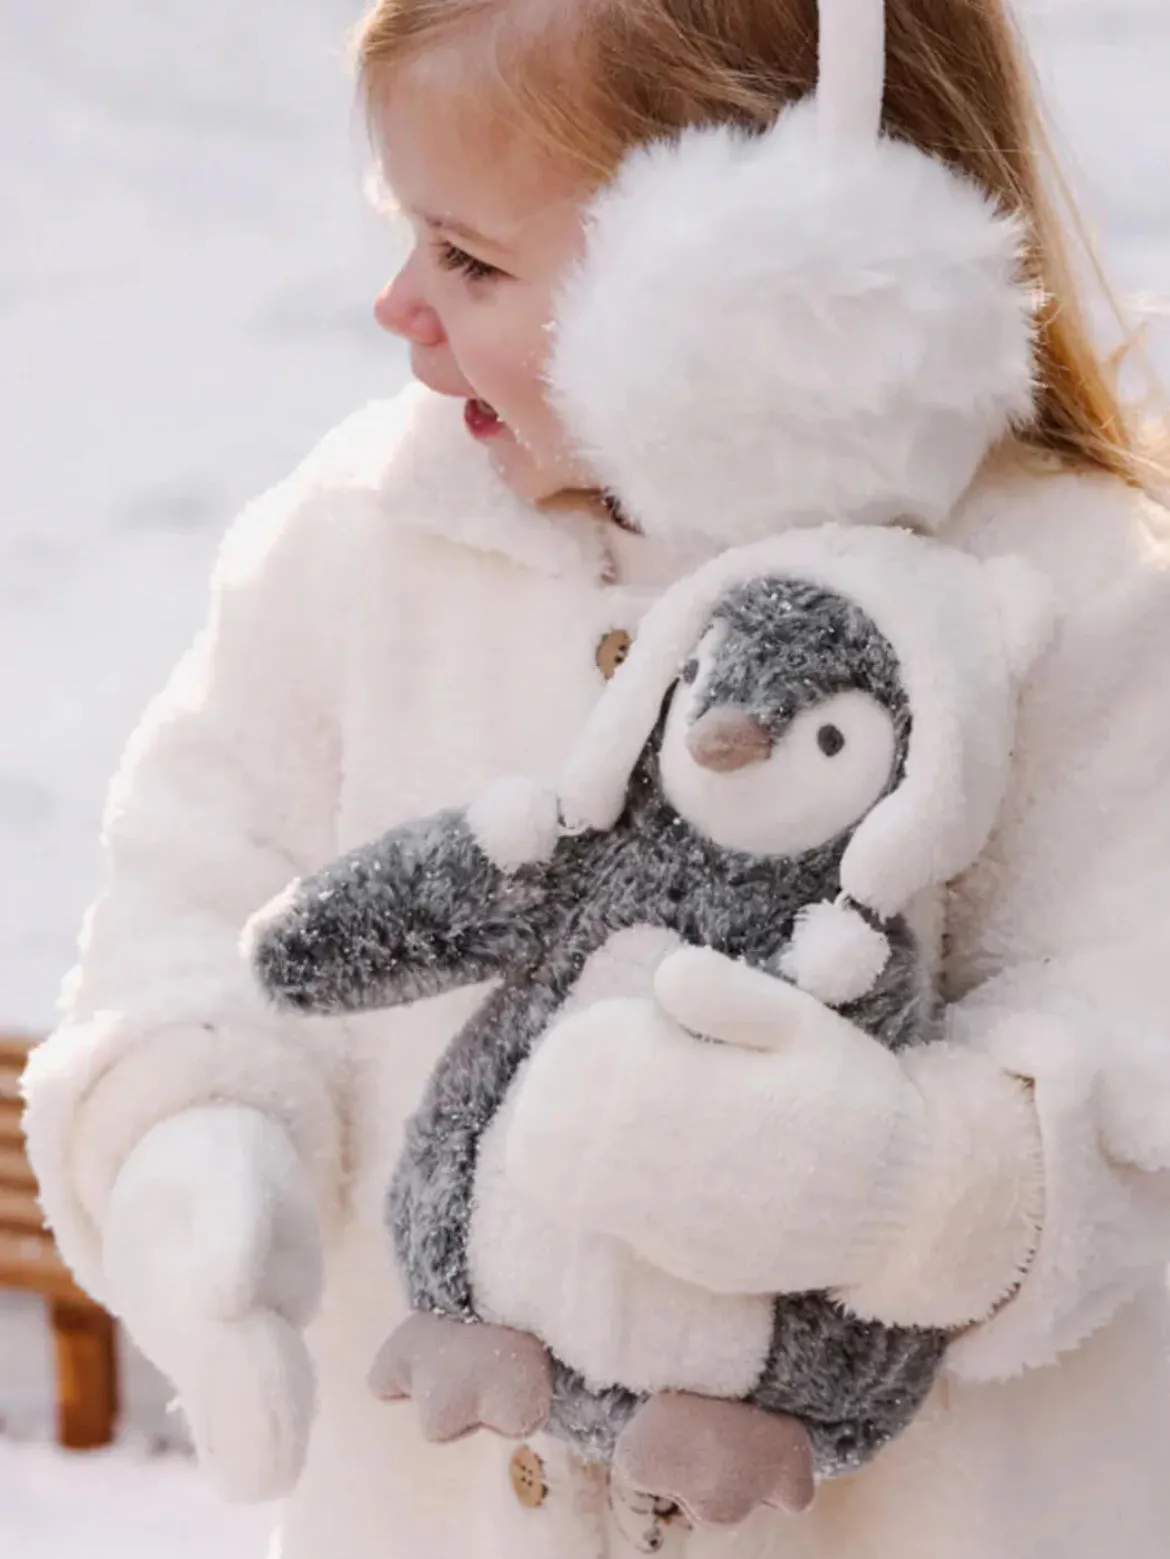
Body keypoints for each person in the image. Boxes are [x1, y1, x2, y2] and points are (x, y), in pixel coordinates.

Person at [22, 1, 1170, 1556]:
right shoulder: (356, 547)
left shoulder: (1068, 598)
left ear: (775, 269)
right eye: (402, 235)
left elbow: (1133, 1084)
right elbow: (193, 896)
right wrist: (190, 1138)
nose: (395, 309)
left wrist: (898, 1190)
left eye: (470, 262)